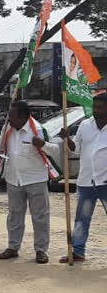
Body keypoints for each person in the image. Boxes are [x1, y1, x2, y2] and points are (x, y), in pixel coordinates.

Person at [0, 100, 59, 264]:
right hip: (14, 179)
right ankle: (13, 247)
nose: (8, 118)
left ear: (23, 117)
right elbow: (0, 145)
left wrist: (43, 145)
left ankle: (41, 250)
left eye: (12, 115)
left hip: (36, 179)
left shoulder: (38, 130)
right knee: (14, 216)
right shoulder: (8, 129)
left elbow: (56, 151)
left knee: (40, 216)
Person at [58, 93, 107, 263]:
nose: (96, 110)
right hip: (86, 181)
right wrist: (66, 138)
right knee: (81, 219)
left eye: (100, 107)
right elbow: (75, 149)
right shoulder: (85, 125)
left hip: (106, 181)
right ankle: (77, 252)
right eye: (94, 107)